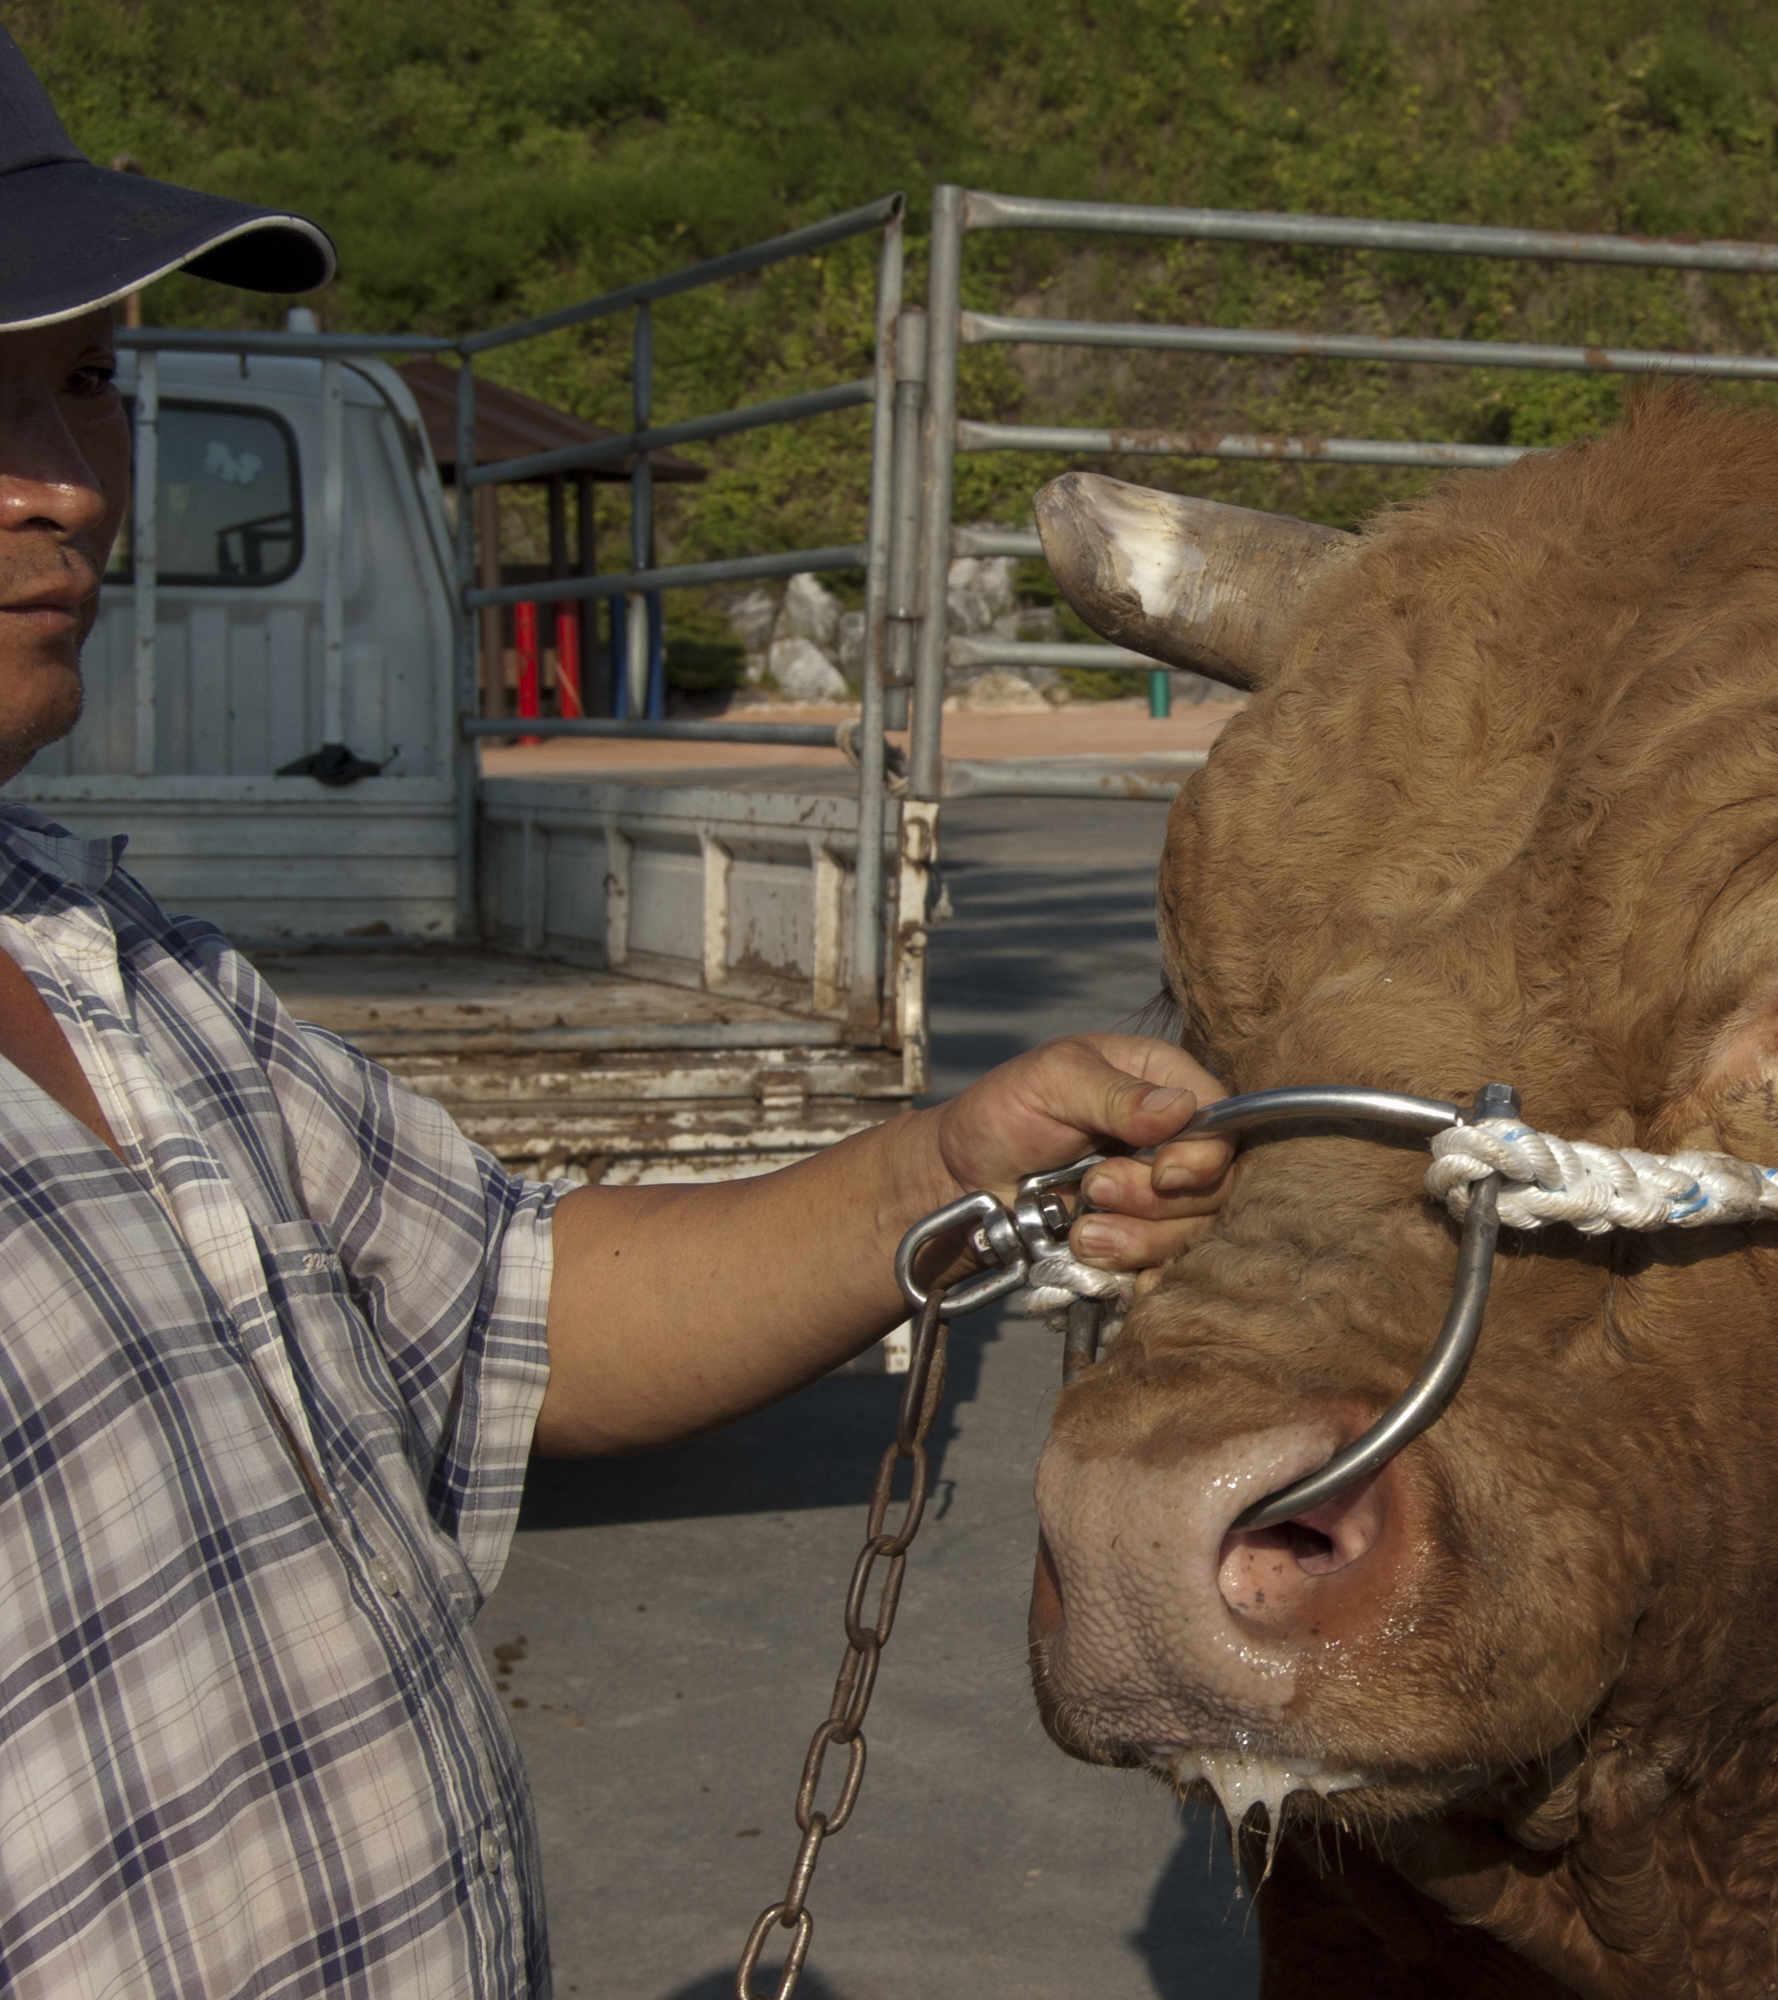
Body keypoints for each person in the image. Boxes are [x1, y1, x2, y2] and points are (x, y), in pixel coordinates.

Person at [0, 29, 1232, 1997]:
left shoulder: (108, 956)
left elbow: (518, 1308)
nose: (63, 483)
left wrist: (950, 1162)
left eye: (88, 380)